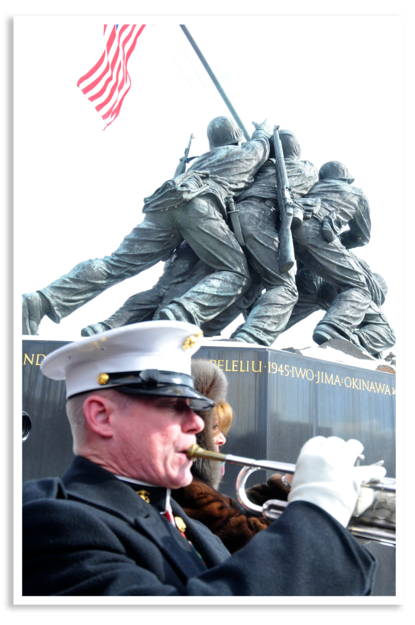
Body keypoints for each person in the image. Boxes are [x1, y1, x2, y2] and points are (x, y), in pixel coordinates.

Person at [23, 321, 386, 596]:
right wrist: (319, 515)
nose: (197, 423)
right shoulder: (53, 522)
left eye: (197, 408)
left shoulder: (188, 527)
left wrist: (340, 527)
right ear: (102, 416)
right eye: (173, 406)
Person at [22, 116, 271, 336]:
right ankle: (180, 313)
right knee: (237, 272)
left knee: (115, 264)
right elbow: (262, 146)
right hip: (199, 207)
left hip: (164, 205)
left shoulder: (200, 160)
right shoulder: (244, 153)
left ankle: (43, 299)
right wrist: (261, 131)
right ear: (237, 138)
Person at [79, 129, 316, 346]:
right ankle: (240, 336)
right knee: (265, 281)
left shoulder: (220, 163)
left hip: (197, 234)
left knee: (164, 289)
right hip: (219, 226)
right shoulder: (299, 168)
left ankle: (111, 326)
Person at [174, 360, 291, 554]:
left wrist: (286, 484)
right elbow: (248, 539)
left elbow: (234, 513)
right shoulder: (189, 490)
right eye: (214, 428)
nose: (222, 439)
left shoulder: (198, 488)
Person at [291, 161, 373, 345]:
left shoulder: (311, 187)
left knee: (295, 292)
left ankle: (255, 330)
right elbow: (362, 236)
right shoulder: (357, 193)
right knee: (358, 287)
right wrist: (338, 242)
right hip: (317, 235)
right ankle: (333, 327)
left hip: (287, 234)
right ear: (345, 177)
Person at [284, 256, 396, 358]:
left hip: (308, 277)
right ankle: (350, 343)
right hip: (338, 288)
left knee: (273, 323)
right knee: (388, 332)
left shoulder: (352, 260)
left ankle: (265, 337)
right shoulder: (369, 285)